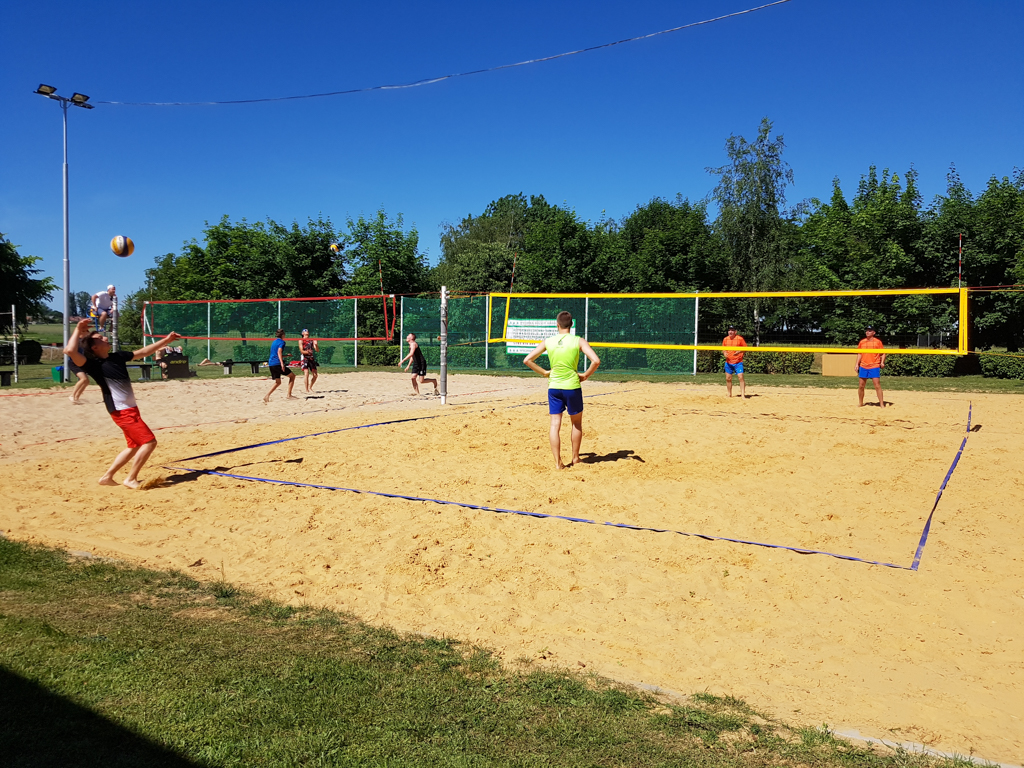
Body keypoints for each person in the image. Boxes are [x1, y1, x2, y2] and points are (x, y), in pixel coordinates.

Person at [64, 318, 181, 489]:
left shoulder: (116, 357)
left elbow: (143, 352)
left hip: (130, 409)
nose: (105, 338)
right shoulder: (93, 365)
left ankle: (107, 477)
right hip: (121, 411)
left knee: (133, 445)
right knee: (149, 442)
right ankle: (131, 478)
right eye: (99, 338)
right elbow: (69, 350)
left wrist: (166, 340)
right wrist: (78, 329)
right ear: (94, 348)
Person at [523, 311, 601, 470]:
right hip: (572, 387)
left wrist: (544, 372)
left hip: (554, 388)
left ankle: (558, 463)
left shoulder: (548, 341)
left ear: (557, 325)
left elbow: (527, 360)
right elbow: (596, 361)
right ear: (571, 325)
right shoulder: (578, 341)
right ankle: (575, 458)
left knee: (554, 425)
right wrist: (585, 375)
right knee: (576, 423)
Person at [264, 329, 297, 403]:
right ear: (283, 335)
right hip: (277, 364)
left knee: (278, 382)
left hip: (271, 364)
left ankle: (267, 395)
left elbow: (276, 354)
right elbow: (279, 352)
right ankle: (289, 395)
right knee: (292, 376)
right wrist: (282, 363)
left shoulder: (274, 342)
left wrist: (286, 356)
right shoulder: (282, 342)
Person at [856, 325, 886, 408]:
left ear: (873, 333)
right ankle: (861, 403)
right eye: (867, 330)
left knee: (877, 385)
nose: (867, 332)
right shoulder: (862, 342)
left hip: (874, 365)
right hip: (863, 366)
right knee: (861, 386)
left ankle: (881, 404)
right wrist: (856, 364)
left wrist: (882, 362)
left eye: (869, 330)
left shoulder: (877, 342)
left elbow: (883, 353)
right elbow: (859, 354)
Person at [68, 332, 102, 403]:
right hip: (73, 362)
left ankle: (76, 397)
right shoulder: (77, 341)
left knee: (86, 381)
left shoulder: (86, 341)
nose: (87, 333)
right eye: (86, 332)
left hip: (82, 362)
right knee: (83, 379)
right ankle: (72, 395)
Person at [722, 325, 747, 398]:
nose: (730, 331)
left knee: (740, 377)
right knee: (728, 378)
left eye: (732, 330)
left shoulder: (739, 339)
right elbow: (723, 349)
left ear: (735, 332)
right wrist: (724, 353)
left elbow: (745, 348)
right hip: (729, 362)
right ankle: (729, 394)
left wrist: (739, 351)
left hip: (738, 362)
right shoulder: (725, 339)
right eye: (729, 330)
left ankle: (743, 395)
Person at [299, 329, 319, 393]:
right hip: (304, 358)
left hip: (311, 358)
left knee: (315, 375)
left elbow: (317, 350)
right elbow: (302, 351)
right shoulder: (301, 340)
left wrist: (316, 345)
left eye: (307, 331)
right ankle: (306, 389)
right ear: (303, 333)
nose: (307, 332)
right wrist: (307, 352)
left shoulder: (311, 340)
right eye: (305, 331)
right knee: (306, 373)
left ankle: (310, 387)